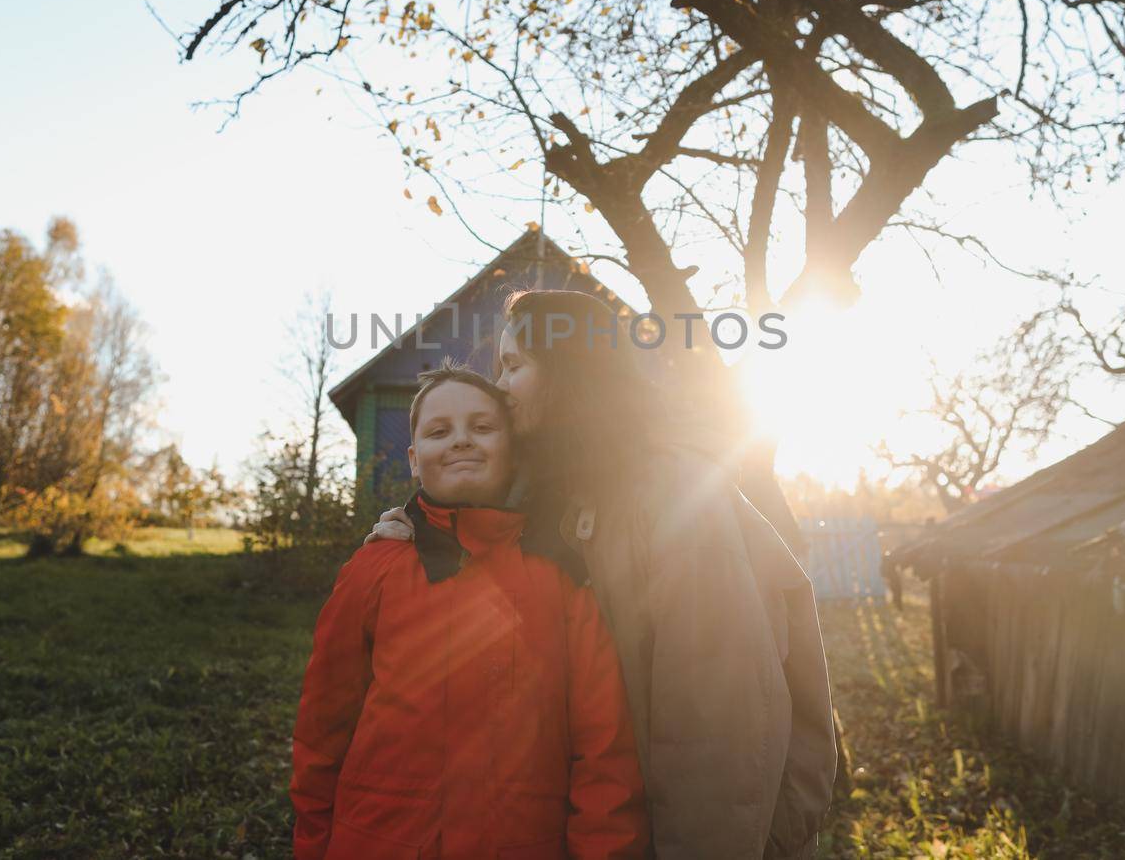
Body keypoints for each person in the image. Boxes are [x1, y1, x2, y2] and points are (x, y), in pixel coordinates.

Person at [368, 290, 837, 859]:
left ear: (570, 370)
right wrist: (413, 535)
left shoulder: (672, 494)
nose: (501, 388)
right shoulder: (559, 490)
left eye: (514, 366)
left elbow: (719, 727)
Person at [291, 362, 649, 860]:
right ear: (415, 460)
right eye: (440, 431)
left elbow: (604, 752)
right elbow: (322, 728)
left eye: (482, 427)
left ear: (513, 449)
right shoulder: (375, 567)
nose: (461, 440)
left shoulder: (564, 578)